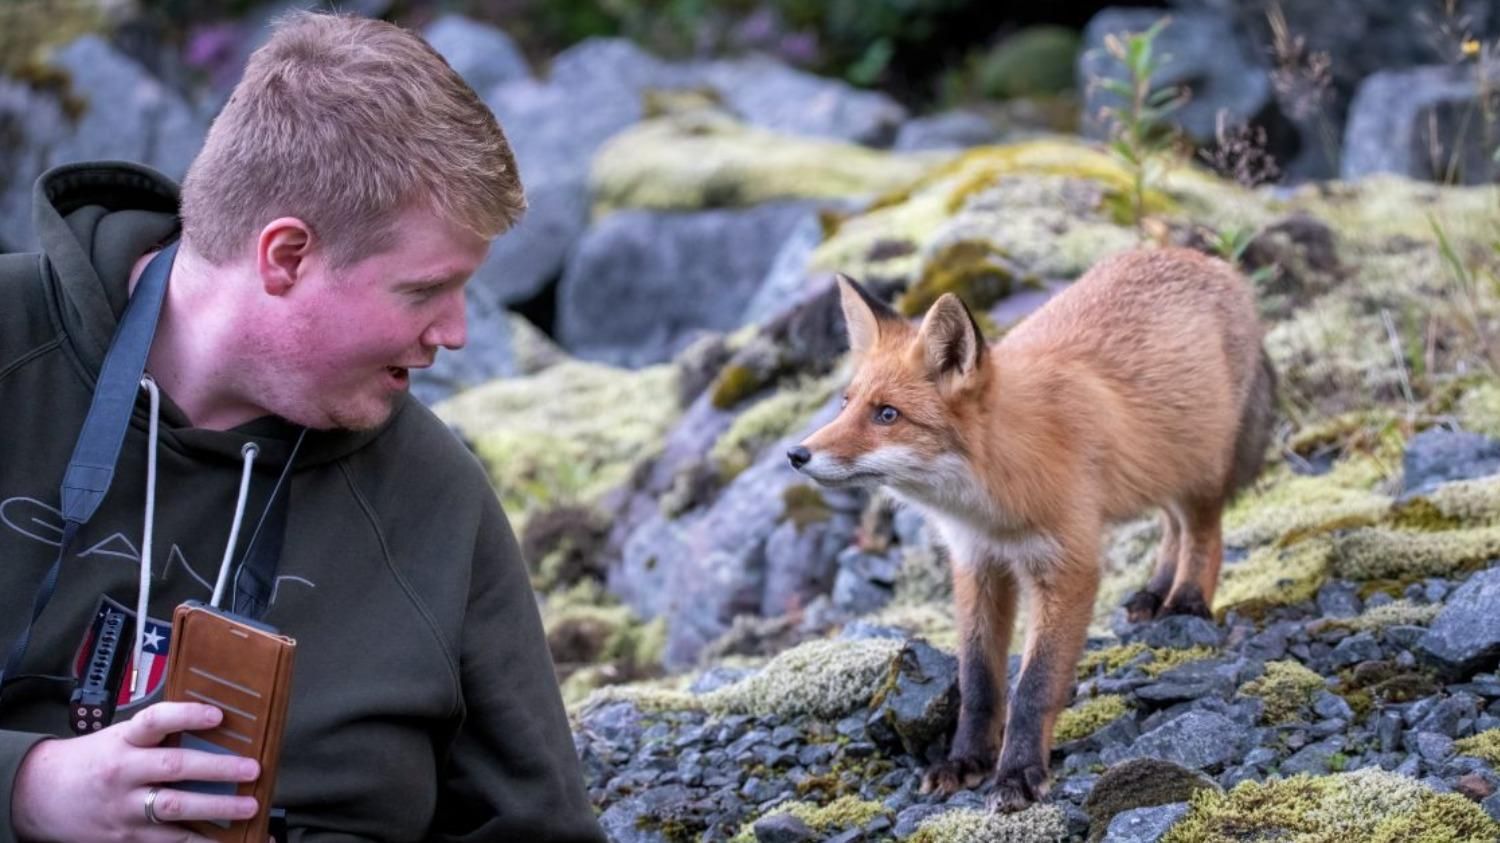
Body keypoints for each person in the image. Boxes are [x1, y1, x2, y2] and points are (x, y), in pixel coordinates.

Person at [0, 11, 605, 842]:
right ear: (285, 255)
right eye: (424, 290)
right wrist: (26, 789)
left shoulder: (436, 498)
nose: (457, 331)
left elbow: (542, 828)